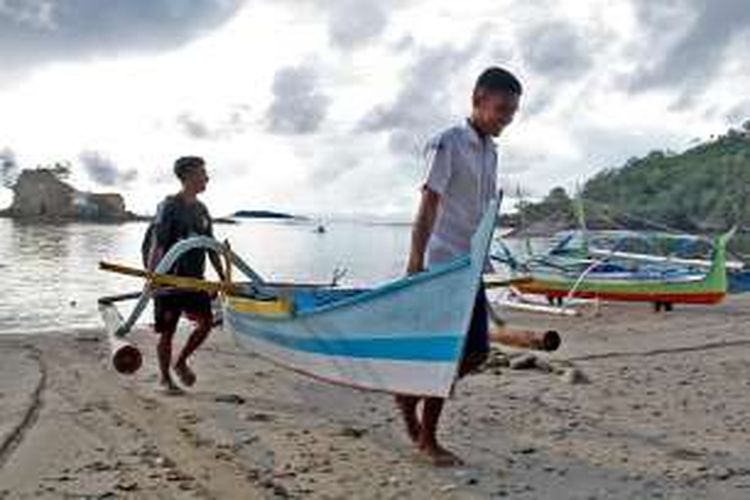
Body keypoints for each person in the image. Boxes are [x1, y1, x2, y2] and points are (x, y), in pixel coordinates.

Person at [396, 67, 522, 466]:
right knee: (447, 355)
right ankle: (427, 438)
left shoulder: (490, 150)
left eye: (513, 112)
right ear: (478, 98)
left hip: (469, 267)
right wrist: (415, 263)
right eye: (501, 109)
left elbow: (479, 211)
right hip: (441, 266)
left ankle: (407, 398)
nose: (507, 118)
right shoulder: (448, 143)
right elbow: (429, 203)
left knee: (476, 354)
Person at [148, 156, 225, 394]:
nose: (207, 178)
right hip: (169, 279)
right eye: (202, 173)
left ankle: (180, 362)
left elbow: (210, 244)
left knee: (206, 323)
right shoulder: (169, 206)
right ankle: (164, 378)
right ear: (189, 176)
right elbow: (157, 244)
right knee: (167, 332)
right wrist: (153, 279)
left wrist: (223, 277)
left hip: (194, 279)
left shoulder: (202, 209)